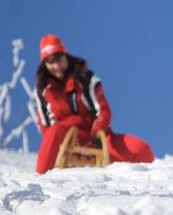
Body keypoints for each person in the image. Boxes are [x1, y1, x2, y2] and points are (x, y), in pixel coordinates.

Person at [35, 35, 155, 174]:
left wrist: (98, 131)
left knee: (141, 149)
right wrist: (62, 148)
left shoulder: (85, 79)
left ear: (66, 56)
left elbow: (103, 110)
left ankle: (149, 186)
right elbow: (46, 127)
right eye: (50, 62)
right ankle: (41, 182)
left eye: (60, 59)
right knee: (54, 131)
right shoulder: (44, 90)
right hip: (65, 140)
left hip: (94, 135)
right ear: (45, 65)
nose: (57, 66)